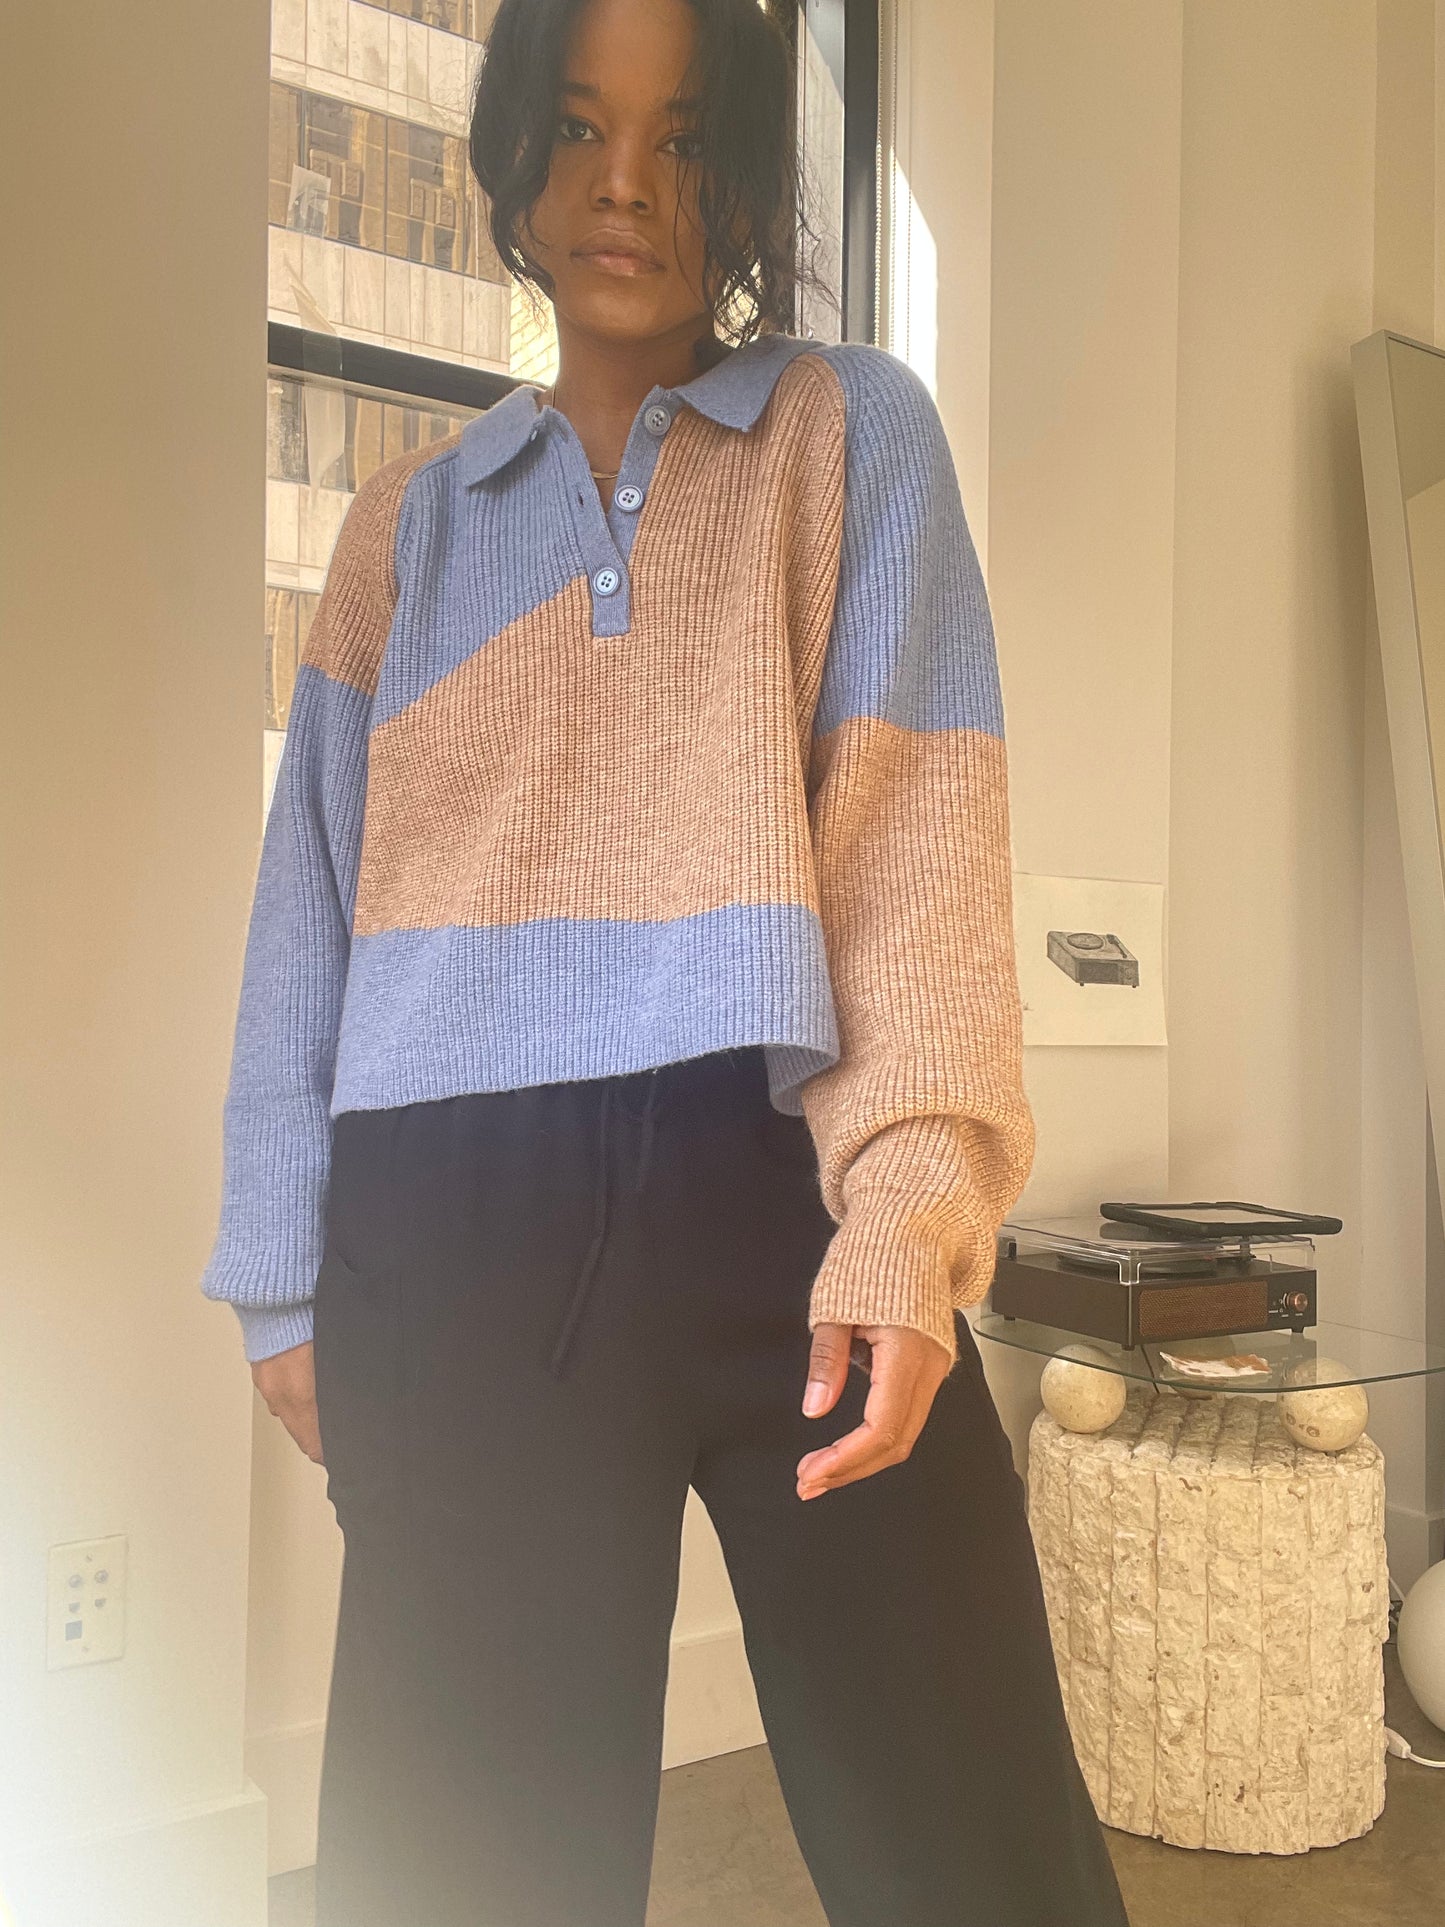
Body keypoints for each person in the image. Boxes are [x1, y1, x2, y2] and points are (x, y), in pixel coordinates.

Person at [200, 1, 1132, 1922]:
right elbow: (309, 913)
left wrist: (910, 1217)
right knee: (469, 1876)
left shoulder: (847, 434)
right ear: (508, 154)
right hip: (452, 1230)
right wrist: (281, 1274)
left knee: (971, 1832)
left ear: (754, 179)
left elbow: (917, 846)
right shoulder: (401, 534)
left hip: (783, 1187)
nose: (625, 185)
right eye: (578, 127)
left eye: (686, 139)